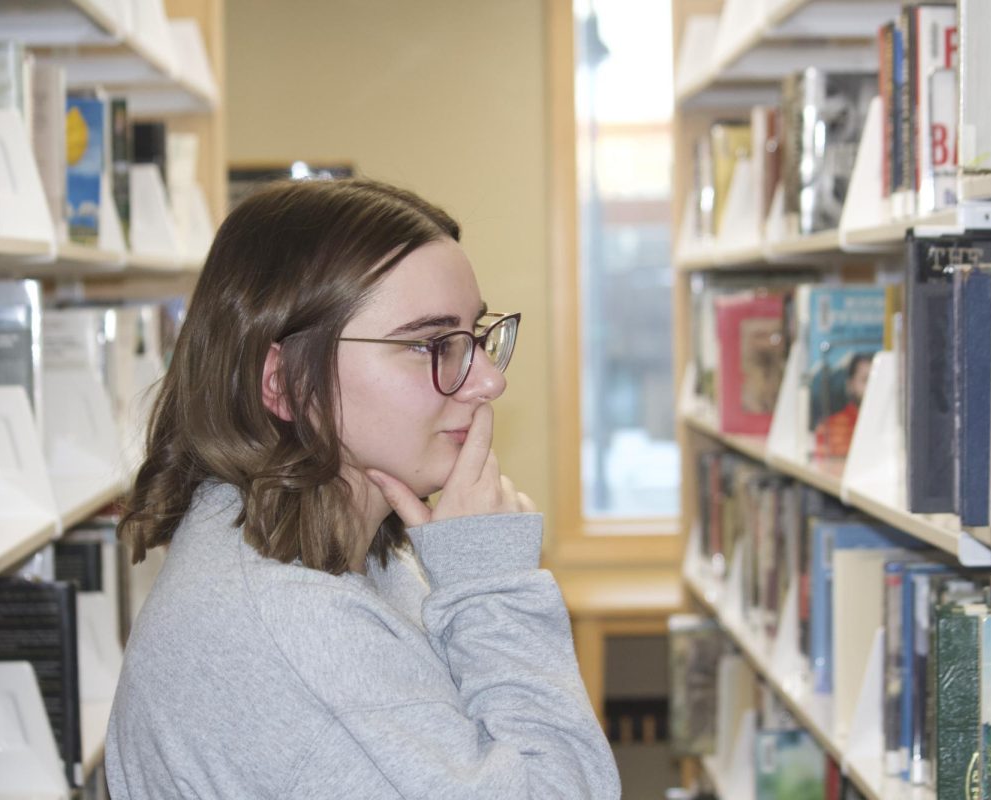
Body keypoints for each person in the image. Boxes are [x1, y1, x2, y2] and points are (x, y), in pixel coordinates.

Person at [105, 178, 621, 799]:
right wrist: (492, 588)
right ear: (286, 383)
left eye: (477, 336)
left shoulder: (333, 540)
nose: (487, 381)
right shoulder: (295, 635)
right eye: (432, 343)